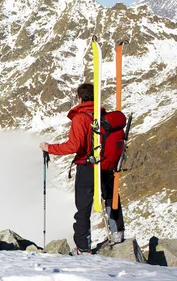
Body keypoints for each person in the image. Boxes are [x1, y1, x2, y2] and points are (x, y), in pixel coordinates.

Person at [39, 83, 125, 254]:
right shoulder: (101, 114)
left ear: (79, 97)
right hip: (106, 163)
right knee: (109, 197)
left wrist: (50, 148)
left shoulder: (81, 117)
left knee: (84, 206)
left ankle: (83, 246)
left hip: (87, 165)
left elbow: (74, 145)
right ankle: (118, 233)